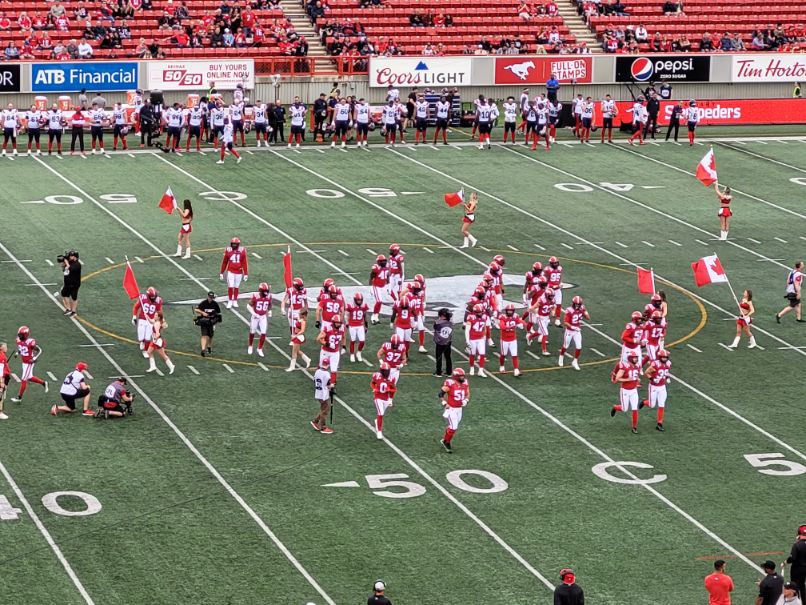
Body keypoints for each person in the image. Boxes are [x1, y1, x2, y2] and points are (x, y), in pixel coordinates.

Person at [10, 326, 48, 403]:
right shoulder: (18, 340)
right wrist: (18, 353)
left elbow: (40, 350)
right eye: (19, 335)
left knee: (24, 379)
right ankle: (44, 383)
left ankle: (19, 397)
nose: (20, 336)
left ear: (26, 335)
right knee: (29, 377)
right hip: (24, 362)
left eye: (21, 335)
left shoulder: (30, 342)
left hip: (29, 362)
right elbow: (21, 348)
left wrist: (34, 358)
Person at [610, 350, 641, 433]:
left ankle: (634, 427)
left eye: (636, 358)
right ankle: (615, 407)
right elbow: (617, 378)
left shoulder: (637, 366)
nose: (635, 359)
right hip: (625, 391)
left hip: (634, 390)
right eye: (634, 358)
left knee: (635, 409)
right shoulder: (625, 367)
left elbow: (636, 376)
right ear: (630, 358)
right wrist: (627, 379)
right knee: (624, 409)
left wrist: (637, 381)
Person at [439, 367, 469, 453]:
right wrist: (445, 403)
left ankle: (445, 439)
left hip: (459, 409)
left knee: (452, 426)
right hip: (451, 409)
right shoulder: (450, 384)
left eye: (463, 376)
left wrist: (466, 400)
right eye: (461, 376)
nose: (463, 378)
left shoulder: (465, 383)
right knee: (453, 427)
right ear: (456, 376)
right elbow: (440, 394)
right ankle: (446, 442)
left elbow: (467, 393)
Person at [559, 296, 589, 371]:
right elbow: (565, 322)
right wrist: (572, 327)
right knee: (566, 345)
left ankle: (575, 361)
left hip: (577, 331)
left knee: (579, 346)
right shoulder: (569, 310)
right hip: (569, 330)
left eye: (579, 304)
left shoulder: (582, 308)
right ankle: (561, 356)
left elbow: (588, 318)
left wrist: (585, 312)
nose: (577, 306)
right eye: (576, 304)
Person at [220, 237, 248, 309]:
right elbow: (225, 262)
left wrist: (246, 273)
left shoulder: (242, 250)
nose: (234, 245)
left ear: (238, 244)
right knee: (230, 286)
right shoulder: (228, 250)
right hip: (231, 271)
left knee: (236, 286)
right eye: (233, 244)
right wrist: (221, 272)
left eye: (235, 244)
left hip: (239, 271)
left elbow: (244, 262)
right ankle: (230, 300)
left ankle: (235, 300)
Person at [247, 282, 272, 357]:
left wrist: (270, 311)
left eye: (267, 291)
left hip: (263, 316)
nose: (266, 293)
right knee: (252, 331)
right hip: (255, 317)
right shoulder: (256, 296)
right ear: (260, 291)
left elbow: (269, 304)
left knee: (263, 332)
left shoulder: (269, 296)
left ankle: (259, 348)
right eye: (265, 291)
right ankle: (250, 346)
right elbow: (248, 306)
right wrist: (254, 314)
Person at [194, 291, 222, 356]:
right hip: (204, 321)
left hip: (212, 322)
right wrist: (203, 313)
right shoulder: (204, 303)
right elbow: (196, 309)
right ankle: (203, 350)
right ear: (208, 297)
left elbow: (219, 314)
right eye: (210, 297)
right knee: (204, 335)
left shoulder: (215, 304)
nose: (211, 299)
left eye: (212, 298)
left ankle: (209, 347)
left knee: (210, 336)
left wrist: (216, 321)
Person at [311, 358, 334, 434]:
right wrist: (331, 386)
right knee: (325, 410)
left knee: (323, 408)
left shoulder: (317, 371)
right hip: (323, 394)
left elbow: (314, 380)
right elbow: (328, 385)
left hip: (318, 392)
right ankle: (322, 427)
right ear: (328, 364)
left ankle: (315, 421)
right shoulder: (326, 374)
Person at [787, 525, 806, 600]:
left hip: (797, 569)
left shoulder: (797, 545)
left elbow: (792, 558)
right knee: (802, 585)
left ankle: (796, 601)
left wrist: (785, 562)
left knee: (795, 586)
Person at [60, 250, 81, 316]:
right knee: (64, 294)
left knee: (74, 297)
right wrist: (64, 262)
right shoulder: (70, 262)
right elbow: (63, 268)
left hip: (74, 284)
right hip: (67, 283)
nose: (70, 257)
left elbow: (70, 269)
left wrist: (66, 263)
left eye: (71, 256)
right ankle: (68, 309)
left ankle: (74, 311)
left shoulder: (77, 264)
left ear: (75, 257)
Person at [433, 308, 453, 376]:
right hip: (448, 341)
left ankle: (438, 372)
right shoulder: (450, 322)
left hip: (439, 342)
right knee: (448, 357)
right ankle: (449, 372)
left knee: (439, 357)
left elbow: (435, 327)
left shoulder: (437, 322)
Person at [0, 342, 9, 420]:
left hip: (4, 377)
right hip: (2, 378)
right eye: (5, 346)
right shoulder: (2, 356)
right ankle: (0, 412)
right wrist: (1, 382)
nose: (6, 348)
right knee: (1, 396)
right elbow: (0, 370)